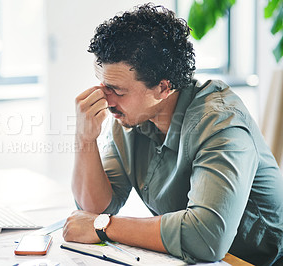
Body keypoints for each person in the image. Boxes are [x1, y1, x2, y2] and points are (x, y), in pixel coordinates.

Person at [62, 3, 283, 265]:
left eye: (117, 90)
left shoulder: (220, 122)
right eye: (102, 85)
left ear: (163, 88)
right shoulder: (131, 119)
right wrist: (84, 139)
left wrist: (104, 226)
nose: (106, 100)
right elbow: (94, 211)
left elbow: (206, 237)